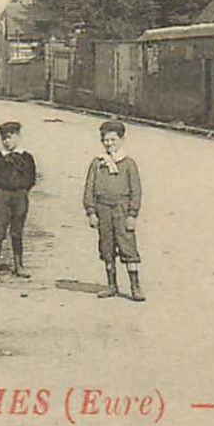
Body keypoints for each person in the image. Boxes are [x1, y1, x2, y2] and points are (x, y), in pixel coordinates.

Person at [83, 118, 145, 302]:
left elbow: (136, 190)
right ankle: (111, 285)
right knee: (107, 245)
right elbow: (89, 188)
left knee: (127, 244)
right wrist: (91, 212)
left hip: (122, 209)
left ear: (122, 139)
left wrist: (132, 214)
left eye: (113, 140)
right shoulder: (97, 163)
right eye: (105, 140)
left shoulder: (128, 164)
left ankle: (135, 286)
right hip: (103, 209)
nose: (109, 144)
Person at [0, 120, 37, 279]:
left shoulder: (26, 157)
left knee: (17, 231)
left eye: (10, 137)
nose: (7, 142)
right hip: (2, 196)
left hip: (20, 197)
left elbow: (31, 178)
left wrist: (22, 189)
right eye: (4, 138)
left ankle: (19, 265)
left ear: (18, 137)